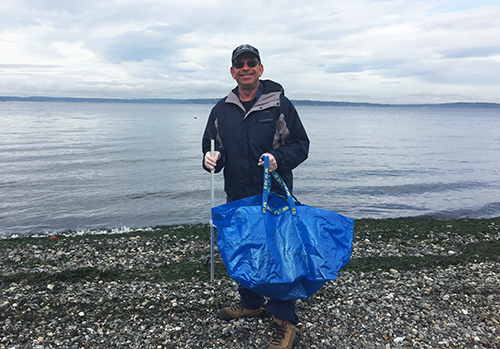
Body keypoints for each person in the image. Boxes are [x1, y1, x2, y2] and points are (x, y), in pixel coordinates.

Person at [202, 44, 309, 349]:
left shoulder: (279, 105)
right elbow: (213, 148)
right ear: (233, 71)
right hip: (236, 194)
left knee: (278, 256)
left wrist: (278, 158)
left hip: (272, 196)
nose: (246, 68)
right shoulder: (221, 109)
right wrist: (210, 159)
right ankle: (250, 303)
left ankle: (284, 318)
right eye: (240, 64)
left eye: (252, 63)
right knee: (243, 251)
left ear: (260, 69)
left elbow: (300, 145)